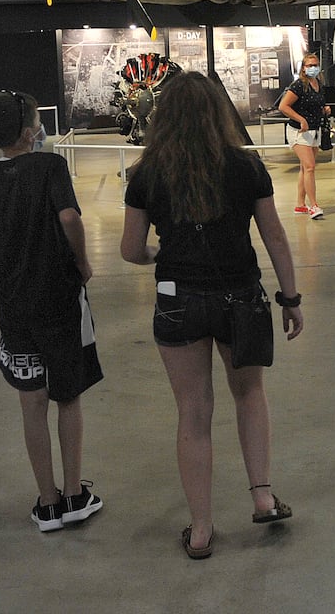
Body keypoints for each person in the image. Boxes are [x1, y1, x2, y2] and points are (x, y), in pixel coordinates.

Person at [119, 72, 304, 559]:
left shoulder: (145, 174)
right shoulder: (247, 168)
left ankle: (201, 529)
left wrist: (160, 255)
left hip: (178, 298)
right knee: (250, 396)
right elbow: (276, 237)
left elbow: (129, 249)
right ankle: (262, 498)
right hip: (240, 295)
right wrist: (291, 298)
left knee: (194, 413)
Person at [0, 90, 104, 532]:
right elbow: (69, 218)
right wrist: (83, 263)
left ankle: (46, 502)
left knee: (32, 403)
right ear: (32, 131)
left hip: (14, 307)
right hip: (61, 301)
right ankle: (74, 495)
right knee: (68, 397)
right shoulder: (50, 166)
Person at [278, 53, 331, 219]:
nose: (313, 68)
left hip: (314, 131)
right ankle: (314, 205)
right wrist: (301, 119)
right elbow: (283, 106)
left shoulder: (318, 84)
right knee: (310, 167)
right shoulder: (299, 85)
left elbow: (316, 104)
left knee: (304, 167)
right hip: (299, 132)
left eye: (315, 64)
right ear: (303, 68)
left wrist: (325, 110)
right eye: (309, 65)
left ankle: (300, 204)